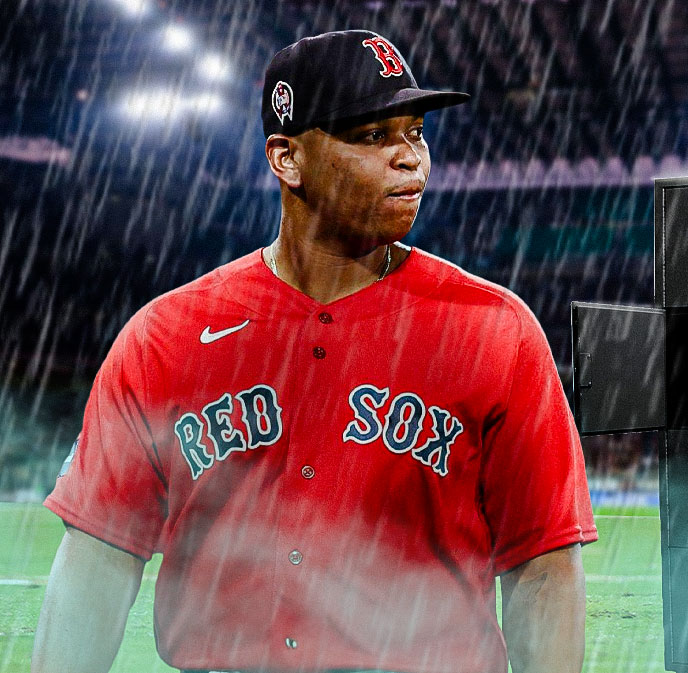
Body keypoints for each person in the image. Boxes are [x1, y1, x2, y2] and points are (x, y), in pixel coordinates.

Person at [32, 29, 597, 673]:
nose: (410, 159)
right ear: (287, 159)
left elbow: (544, 564)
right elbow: (98, 557)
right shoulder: (166, 338)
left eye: (414, 131)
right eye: (371, 137)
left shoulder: (496, 331)